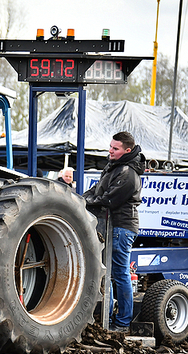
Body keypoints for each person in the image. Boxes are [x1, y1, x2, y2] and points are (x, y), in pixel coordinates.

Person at [83, 131, 145, 333]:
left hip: (121, 227)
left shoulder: (127, 173)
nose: (110, 150)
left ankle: (122, 322)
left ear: (127, 150)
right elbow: (96, 192)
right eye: (110, 146)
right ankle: (107, 319)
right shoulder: (114, 168)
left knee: (118, 274)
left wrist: (86, 203)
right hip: (110, 226)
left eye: (115, 148)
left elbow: (109, 199)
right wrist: (77, 200)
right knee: (106, 273)